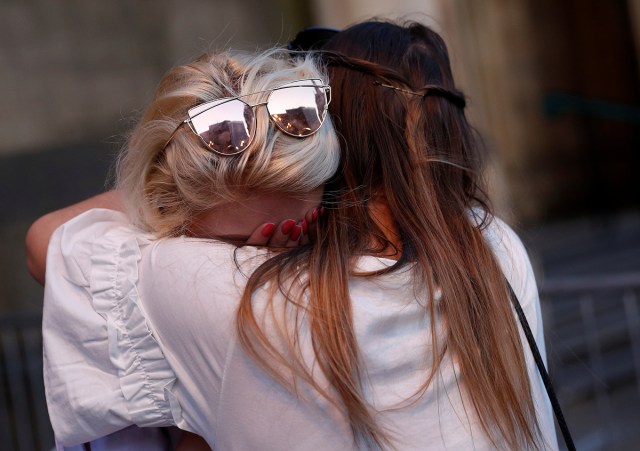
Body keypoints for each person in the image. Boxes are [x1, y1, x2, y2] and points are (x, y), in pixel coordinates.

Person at [26, 19, 558, 451]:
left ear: (334, 154)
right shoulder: (492, 245)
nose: (258, 250)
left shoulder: (212, 287)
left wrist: (195, 179)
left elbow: (46, 240)